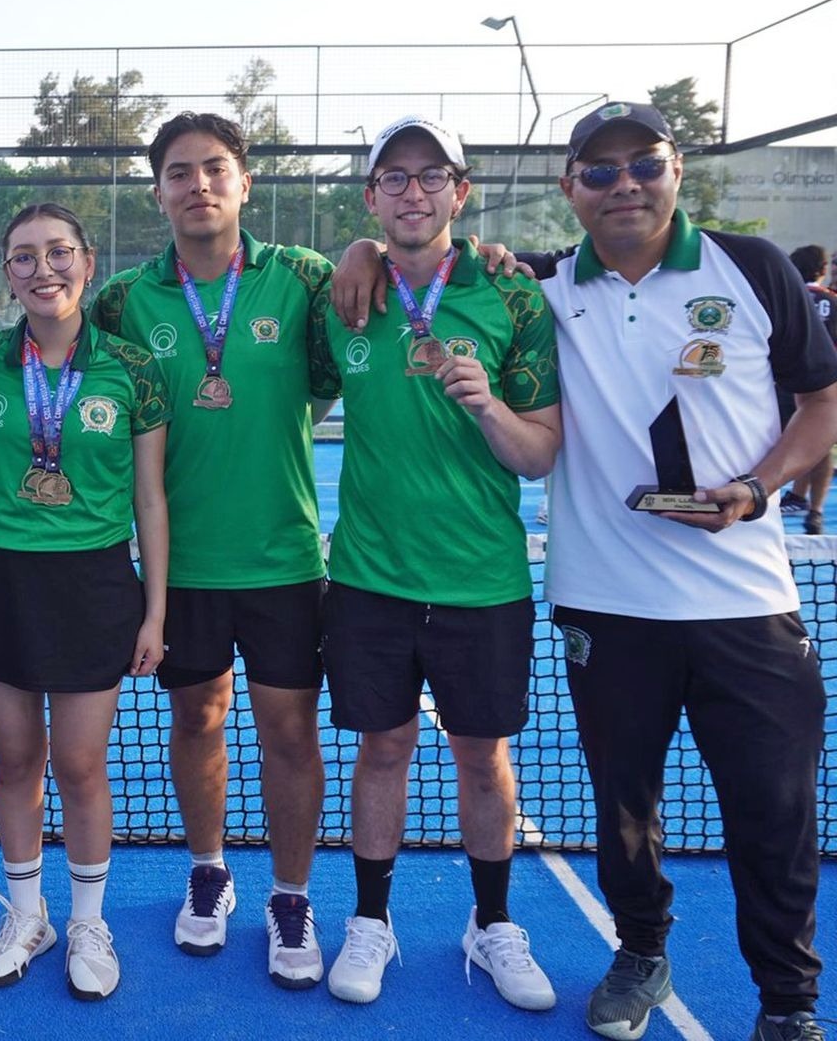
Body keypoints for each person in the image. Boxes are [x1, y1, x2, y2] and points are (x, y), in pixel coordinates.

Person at [331, 101, 836, 1041]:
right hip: (604, 601)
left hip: (746, 600)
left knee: (773, 815)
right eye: (598, 173)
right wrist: (363, 249)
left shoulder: (749, 269)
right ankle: (637, 955)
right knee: (623, 811)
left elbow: (822, 402)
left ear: (675, 169)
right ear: (570, 190)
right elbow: (414, 258)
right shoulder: (550, 285)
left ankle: (788, 1005)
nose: (623, 186)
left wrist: (761, 489)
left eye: (641, 165)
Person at [308, 117, 559, 1012]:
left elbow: (539, 455)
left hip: (483, 581)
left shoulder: (511, 297)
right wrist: (356, 250)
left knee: (482, 757)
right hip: (370, 581)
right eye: (394, 179)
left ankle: (491, 925)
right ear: (371, 196)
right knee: (382, 750)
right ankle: (371, 922)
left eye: (431, 177)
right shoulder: (342, 297)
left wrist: (490, 406)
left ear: (461, 189)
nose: (414, 193)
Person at [90, 112, 334, 988]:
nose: (199, 185)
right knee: (196, 719)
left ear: (245, 182)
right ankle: (208, 872)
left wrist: (498, 259)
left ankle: (292, 895)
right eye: (180, 172)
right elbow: (44, 349)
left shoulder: (305, 278)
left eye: (216, 169)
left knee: (289, 733)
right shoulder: (122, 299)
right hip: (177, 570)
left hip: (284, 563)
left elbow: (387, 301)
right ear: (157, 190)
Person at [0, 203, 169, 1000]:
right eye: (25, 258)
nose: (45, 270)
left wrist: (155, 611)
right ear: (6, 274)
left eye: (59, 253)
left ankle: (88, 923)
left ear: (88, 261)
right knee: (15, 760)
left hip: (94, 582)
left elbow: (150, 498)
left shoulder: (134, 368)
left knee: (78, 763)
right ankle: (28, 915)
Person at [779, 245, 837, 532]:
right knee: (820, 442)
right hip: (824, 386)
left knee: (791, 436)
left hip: (785, 384)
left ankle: (794, 496)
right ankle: (812, 508)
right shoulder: (830, 299)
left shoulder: (781, 298)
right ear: (823, 269)